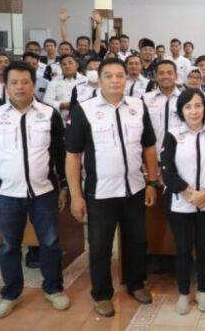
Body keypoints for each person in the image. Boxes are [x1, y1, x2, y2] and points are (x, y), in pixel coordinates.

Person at [66, 57, 159, 317]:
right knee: (100, 247)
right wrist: (76, 196)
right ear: (99, 80)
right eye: (109, 76)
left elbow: (149, 147)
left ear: (126, 79)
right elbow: (72, 156)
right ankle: (102, 294)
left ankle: (136, 283)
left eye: (120, 75)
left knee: (137, 241)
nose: (115, 80)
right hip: (100, 193)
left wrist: (152, 182)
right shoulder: (83, 110)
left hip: (134, 190)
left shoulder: (138, 106)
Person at [0, 61, 70, 319]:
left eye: (25, 82)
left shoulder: (49, 114)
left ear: (33, 83)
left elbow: (60, 154)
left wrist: (64, 187)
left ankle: (53, 288)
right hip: (7, 195)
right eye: (14, 82)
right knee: (9, 246)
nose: (20, 87)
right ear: (6, 86)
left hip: (44, 193)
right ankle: (10, 293)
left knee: (50, 243)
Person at [160, 89, 205, 315]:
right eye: (188, 106)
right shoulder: (173, 135)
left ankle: (202, 292)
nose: (194, 111)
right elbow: (167, 171)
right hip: (180, 204)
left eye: (198, 105)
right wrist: (190, 194)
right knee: (183, 249)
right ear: (181, 111)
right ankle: (183, 293)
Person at [142, 60, 182, 152]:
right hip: (153, 155)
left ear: (176, 76)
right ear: (155, 76)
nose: (165, 76)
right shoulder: (145, 99)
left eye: (169, 73)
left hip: (179, 156)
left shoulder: (185, 99)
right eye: (161, 73)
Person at [43, 54, 87, 124]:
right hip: (60, 122)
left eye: (70, 63)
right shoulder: (54, 82)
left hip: (82, 121)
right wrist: (62, 105)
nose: (67, 66)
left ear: (77, 65)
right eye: (64, 64)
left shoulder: (86, 81)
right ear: (61, 67)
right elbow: (46, 100)